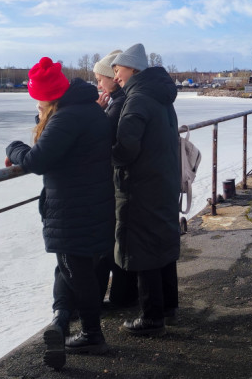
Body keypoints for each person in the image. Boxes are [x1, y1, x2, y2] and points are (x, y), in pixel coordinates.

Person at [4, 57, 113, 369]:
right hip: (91, 203)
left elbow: (37, 160)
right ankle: (61, 323)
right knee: (69, 269)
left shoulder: (67, 117)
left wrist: (13, 148)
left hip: (73, 208)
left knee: (76, 273)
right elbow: (59, 143)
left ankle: (92, 334)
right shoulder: (86, 108)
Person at [110, 44, 181, 336]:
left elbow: (126, 149)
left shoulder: (137, 99)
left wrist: (105, 154)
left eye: (118, 70)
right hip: (163, 181)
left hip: (140, 185)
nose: (115, 77)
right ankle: (168, 306)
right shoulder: (161, 96)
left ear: (133, 69)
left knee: (143, 248)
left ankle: (151, 317)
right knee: (162, 242)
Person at [92, 50, 138, 310]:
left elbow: (102, 139)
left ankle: (121, 297)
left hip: (117, 182)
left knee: (115, 242)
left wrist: (97, 115)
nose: (98, 84)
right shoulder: (121, 100)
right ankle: (123, 295)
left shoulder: (120, 103)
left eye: (101, 78)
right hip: (121, 181)